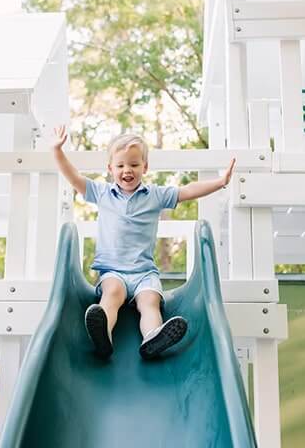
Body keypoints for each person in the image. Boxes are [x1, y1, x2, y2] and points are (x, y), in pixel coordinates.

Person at [51, 126, 235, 360]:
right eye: (120, 165)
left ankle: (153, 338)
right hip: (113, 270)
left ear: (144, 167)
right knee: (112, 294)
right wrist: (57, 150)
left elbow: (187, 190)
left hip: (144, 272)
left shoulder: (155, 195)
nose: (127, 170)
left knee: (150, 301)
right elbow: (73, 176)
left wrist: (220, 182)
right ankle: (103, 335)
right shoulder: (102, 193)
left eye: (134, 165)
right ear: (110, 169)